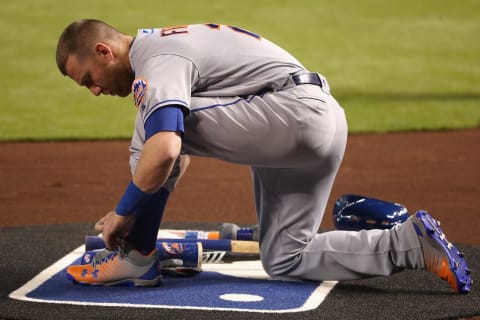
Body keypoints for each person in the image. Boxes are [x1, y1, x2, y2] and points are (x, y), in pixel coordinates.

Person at [56, 19, 471, 293]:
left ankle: (136, 256)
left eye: (89, 79)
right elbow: (176, 158)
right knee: (285, 258)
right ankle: (408, 244)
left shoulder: (157, 59)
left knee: (155, 130)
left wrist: (123, 214)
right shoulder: (169, 43)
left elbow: (167, 151)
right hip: (309, 126)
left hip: (295, 117)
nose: (95, 90)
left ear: (104, 51)